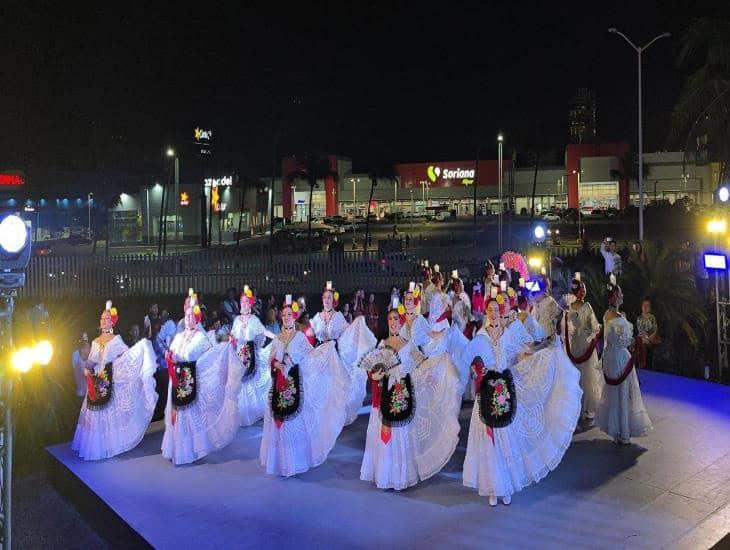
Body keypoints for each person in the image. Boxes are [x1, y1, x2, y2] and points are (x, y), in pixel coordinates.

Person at [461, 298, 582, 506]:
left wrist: (544, 354)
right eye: (489, 310)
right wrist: (476, 371)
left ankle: (505, 486)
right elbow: (471, 362)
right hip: (486, 393)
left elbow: (521, 355)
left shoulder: (508, 335)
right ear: (486, 313)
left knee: (505, 439)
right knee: (489, 443)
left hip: (504, 391)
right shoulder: (480, 337)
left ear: (500, 312)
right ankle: (492, 487)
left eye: (496, 309)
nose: (493, 313)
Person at [359, 303, 461, 490]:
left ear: (401, 321)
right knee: (384, 434)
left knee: (401, 433)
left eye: (396, 319)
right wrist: (375, 376)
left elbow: (423, 363)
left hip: (402, 392)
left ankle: (399, 477)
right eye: (390, 319)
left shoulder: (409, 344)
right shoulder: (382, 344)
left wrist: (438, 363)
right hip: (385, 393)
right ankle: (384, 474)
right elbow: (372, 371)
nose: (393, 323)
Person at [260, 295, 351, 477]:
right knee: (280, 423)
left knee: (294, 422)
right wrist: (277, 364)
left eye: (289, 315)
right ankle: (280, 462)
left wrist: (326, 351)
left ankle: (295, 461)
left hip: (294, 384)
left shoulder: (300, 337)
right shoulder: (277, 339)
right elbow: (271, 358)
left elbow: (310, 357)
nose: (286, 317)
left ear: (294, 317)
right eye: (283, 315)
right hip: (278, 384)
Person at [162, 294, 242, 465]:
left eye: (192, 315)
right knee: (176, 413)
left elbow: (200, 356)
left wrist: (226, 348)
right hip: (175, 378)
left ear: (197, 317)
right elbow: (172, 352)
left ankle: (189, 450)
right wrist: (169, 357)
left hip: (190, 380)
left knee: (189, 415)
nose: (188, 318)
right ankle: (175, 448)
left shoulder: (201, 337)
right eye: (186, 315)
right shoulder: (179, 336)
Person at [72, 301, 158, 460]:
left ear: (112, 322)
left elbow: (126, 357)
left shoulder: (117, 340)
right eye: (102, 319)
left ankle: (108, 445)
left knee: (108, 414)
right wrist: (87, 367)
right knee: (94, 414)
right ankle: (97, 446)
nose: (103, 322)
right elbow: (91, 360)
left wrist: (141, 350)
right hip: (96, 381)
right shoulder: (96, 341)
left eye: (106, 319)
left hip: (110, 379)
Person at [310, 282, 374, 426]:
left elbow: (348, 332)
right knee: (319, 386)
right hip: (319, 356)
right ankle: (321, 416)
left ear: (334, 301)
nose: (327, 300)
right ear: (322, 299)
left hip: (333, 355)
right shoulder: (317, 317)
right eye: (325, 297)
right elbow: (309, 333)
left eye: (330, 298)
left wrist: (357, 324)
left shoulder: (338, 316)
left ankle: (333, 417)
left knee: (333, 387)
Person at [597, 282, 653, 444]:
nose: (622, 296)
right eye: (620, 294)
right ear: (614, 296)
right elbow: (624, 340)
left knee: (615, 393)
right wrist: (636, 341)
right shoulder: (619, 317)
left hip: (610, 355)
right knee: (624, 393)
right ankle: (624, 431)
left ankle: (617, 431)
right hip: (620, 356)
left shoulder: (607, 314)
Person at [230, 285, 276, 426]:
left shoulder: (254, 320)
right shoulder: (237, 320)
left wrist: (279, 338)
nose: (243, 304)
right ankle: (241, 413)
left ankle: (254, 412)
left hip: (251, 354)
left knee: (253, 384)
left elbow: (264, 332)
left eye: (246, 302)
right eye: (241, 301)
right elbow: (233, 336)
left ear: (250, 304)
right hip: (239, 354)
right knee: (240, 384)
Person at [563, 278, 604, 422]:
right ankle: (587, 409)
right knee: (588, 378)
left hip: (573, 345)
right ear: (580, 291)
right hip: (585, 344)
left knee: (575, 376)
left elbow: (565, 328)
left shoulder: (569, 307)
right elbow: (594, 327)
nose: (585, 290)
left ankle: (574, 407)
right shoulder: (586, 306)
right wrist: (597, 331)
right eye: (583, 288)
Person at [636, 297, 659, 369]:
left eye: (647, 306)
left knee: (649, 358)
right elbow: (640, 330)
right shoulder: (639, 318)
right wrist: (644, 339)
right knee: (642, 356)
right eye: (644, 306)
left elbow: (655, 329)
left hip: (651, 341)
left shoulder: (652, 317)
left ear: (650, 308)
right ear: (641, 307)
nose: (645, 307)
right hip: (642, 341)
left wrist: (650, 338)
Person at [71, 334, 91, 400]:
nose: (90, 349)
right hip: (81, 394)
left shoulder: (90, 359)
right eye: (88, 348)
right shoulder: (76, 355)